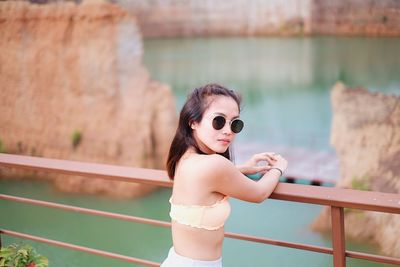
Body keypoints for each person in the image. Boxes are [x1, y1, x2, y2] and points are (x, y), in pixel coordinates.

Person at [161, 83, 288, 267]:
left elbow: (207, 181)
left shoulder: (184, 157)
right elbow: (259, 193)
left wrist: (243, 168)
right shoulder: (215, 165)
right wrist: (279, 167)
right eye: (219, 121)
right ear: (193, 122)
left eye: (235, 123)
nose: (228, 131)